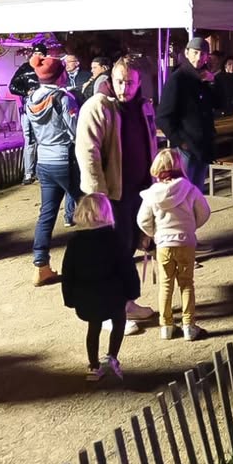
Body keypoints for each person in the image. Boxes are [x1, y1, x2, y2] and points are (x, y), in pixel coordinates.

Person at [75, 55, 157, 325]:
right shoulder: (97, 107)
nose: (124, 88)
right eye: (120, 81)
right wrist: (97, 196)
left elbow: (151, 144)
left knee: (129, 248)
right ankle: (109, 311)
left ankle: (124, 303)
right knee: (110, 254)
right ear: (111, 79)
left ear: (139, 82)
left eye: (130, 82)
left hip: (138, 192)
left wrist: (155, 184)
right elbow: (87, 153)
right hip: (110, 196)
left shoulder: (144, 107)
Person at [61, 193, 138, 381]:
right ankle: (112, 356)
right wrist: (132, 291)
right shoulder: (115, 239)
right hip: (113, 294)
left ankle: (93, 366)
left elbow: (68, 272)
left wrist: (69, 297)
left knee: (93, 327)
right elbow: (127, 267)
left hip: (87, 296)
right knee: (119, 321)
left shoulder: (75, 242)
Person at [137, 149, 211, 341]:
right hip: (186, 242)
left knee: (165, 284)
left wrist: (154, 233)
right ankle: (189, 326)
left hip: (163, 244)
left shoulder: (152, 194)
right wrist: (191, 226)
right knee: (186, 284)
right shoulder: (190, 189)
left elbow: (142, 220)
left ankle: (166, 326)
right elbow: (204, 211)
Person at [26, 54, 81, 286]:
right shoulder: (63, 98)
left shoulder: (30, 99)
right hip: (65, 159)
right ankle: (97, 259)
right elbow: (76, 129)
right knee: (89, 207)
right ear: (60, 75)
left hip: (44, 160)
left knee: (47, 213)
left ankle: (41, 265)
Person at [156, 37, 215, 191]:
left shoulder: (203, 78)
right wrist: (180, 142)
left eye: (202, 54)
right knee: (183, 193)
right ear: (187, 53)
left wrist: (212, 82)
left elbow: (216, 104)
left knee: (196, 194)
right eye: (195, 52)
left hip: (202, 146)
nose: (198, 57)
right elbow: (162, 116)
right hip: (187, 148)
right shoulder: (178, 79)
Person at [9, 42, 48, 185]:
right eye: (35, 53)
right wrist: (26, 92)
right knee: (29, 139)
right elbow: (12, 86)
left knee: (45, 139)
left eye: (41, 54)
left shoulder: (50, 67)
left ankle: (42, 171)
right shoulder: (25, 68)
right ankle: (28, 172)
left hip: (47, 108)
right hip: (30, 109)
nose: (38, 56)